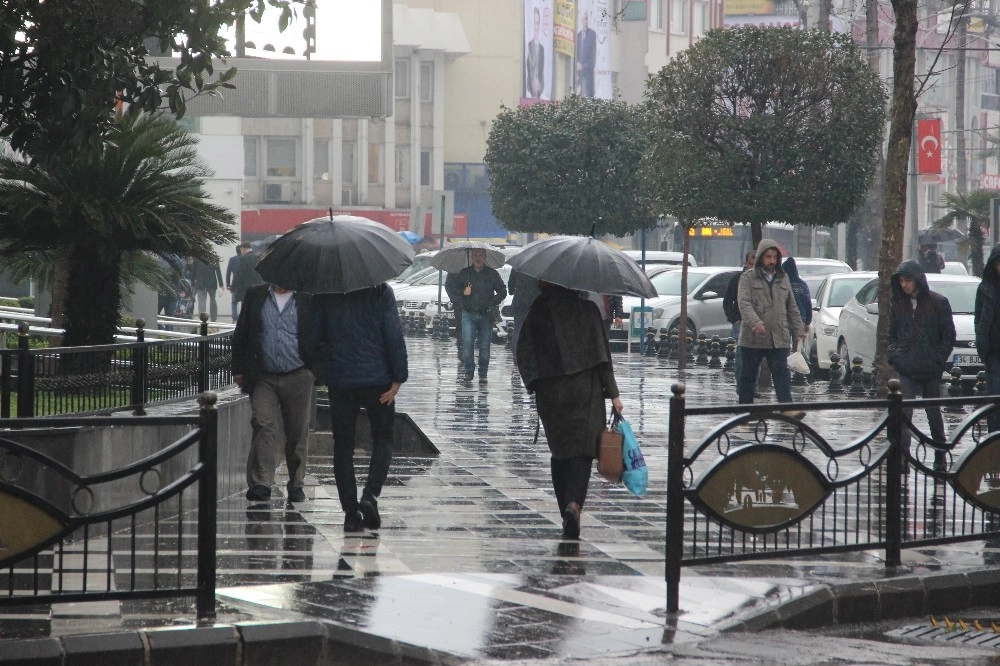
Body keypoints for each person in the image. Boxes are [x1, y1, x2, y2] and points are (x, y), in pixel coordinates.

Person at [516, 281, 624, 539]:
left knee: (561, 451)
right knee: (583, 451)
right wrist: (615, 395)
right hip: (585, 391)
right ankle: (574, 504)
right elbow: (603, 359)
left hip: (551, 392)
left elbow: (523, 352)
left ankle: (564, 505)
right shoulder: (588, 311)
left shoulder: (538, 311)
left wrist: (535, 384)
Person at [312, 284, 408, 533]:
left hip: (341, 381)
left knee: (343, 446)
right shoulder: (380, 291)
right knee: (383, 438)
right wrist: (398, 376)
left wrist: (324, 374)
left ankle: (350, 512)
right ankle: (370, 495)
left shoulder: (326, 292)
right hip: (378, 381)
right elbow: (393, 333)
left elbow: (314, 336)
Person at [232, 283, 320, 503]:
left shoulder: (308, 297)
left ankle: (297, 483)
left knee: (297, 432)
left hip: (299, 375)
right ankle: (262, 483)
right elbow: (241, 332)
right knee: (263, 425)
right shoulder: (256, 295)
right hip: (264, 376)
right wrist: (238, 369)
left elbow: (323, 334)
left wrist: (315, 370)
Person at [888, 260, 955, 449]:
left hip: (930, 367)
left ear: (917, 280)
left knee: (933, 412)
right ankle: (902, 458)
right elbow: (891, 335)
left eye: (908, 280)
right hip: (906, 366)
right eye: (901, 281)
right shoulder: (899, 304)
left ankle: (940, 455)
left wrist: (937, 359)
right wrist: (896, 356)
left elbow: (948, 336)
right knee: (904, 412)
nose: (904, 285)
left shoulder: (938, 303)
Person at [736, 240, 805, 410]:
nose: (772, 261)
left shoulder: (783, 278)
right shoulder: (747, 278)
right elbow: (744, 303)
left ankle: (787, 410)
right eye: (768, 257)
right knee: (748, 377)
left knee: (782, 375)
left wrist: (799, 329)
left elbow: (792, 306)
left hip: (778, 337)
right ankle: (745, 412)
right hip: (754, 338)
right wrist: (755, 323)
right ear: (760, 257)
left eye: (774, 257)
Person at [455, 249, 507, 383]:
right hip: (468, 314)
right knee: (467, 343)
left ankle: (483, 373)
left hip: (486, 315)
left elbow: (502, 291)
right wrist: (463, 291)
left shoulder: (492, 274)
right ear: (472, 257)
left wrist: (492, 302)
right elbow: (454, 289)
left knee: (485, 347)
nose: (478, 258)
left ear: (485, 257)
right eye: (476, 255)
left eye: (481, 255)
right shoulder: (465, 273)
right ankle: (469, 371)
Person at [975, 243, 1000, 433]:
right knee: (994, 397)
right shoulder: (985, 288)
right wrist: (982, 342)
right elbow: (979, 318)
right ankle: (994, 438)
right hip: (993, 351)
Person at [723, 251, 756, 380]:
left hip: (756, 324)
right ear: (745, 263)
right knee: (741, 355)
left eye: (755, 264)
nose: (752, 267)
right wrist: (734, 319)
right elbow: (727, 301)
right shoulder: (737, 279)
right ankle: (741, 385)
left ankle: (753, 386)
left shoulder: (761, 280)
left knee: (755, 357)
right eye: (750, 264)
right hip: (740, 323)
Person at [508, 268, 541, 357]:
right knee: (534, 329)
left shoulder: (517, 266)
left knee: (517, 329)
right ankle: (532, 354)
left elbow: (510, 288)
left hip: (519, 302)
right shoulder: (539, 267)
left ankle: (516, 355)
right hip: (534, 302)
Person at [781, 256, 812, 332]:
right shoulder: (803, 285)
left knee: (785, 342)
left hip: (785, 319)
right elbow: (808, 304)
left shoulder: (782, 284)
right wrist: (807, 322)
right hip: (801, 318)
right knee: (798, 341)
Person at [191, 257, 224, 322]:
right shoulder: (213, 258)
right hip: (212, 283)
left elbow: (193, 271)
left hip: (200, 282)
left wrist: (192, 283)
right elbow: (218, 270)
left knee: (201, 301)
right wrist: (221, 284)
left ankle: (202, 318)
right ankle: (213, 318)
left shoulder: (197, 259)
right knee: (213, 300)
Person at [226, 242, 252, 320]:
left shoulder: (232, 259)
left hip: (236, 283)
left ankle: (235, 319)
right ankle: (243, 317)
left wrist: (228, 285)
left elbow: (228, 272)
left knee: (234, 302)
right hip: (245, 283)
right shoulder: (248, 258)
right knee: (244, 301)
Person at [574, 10, 596, 97]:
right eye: (583, 19)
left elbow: (592, 61)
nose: (585, 22)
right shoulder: (578, 36)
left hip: (587, 79)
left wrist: (582, 66)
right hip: (578, 79)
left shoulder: (592, 35)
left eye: (586, 19)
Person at [525, 5, 545, 99]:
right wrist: (532, 79)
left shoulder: (542, 49)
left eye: (537, 23)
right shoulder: (528, 45)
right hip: (529, 89)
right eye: (534, 23)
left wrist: (539, 81)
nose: (535, 26)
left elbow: (542, 69)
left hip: (540, 91)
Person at [444, 270, 465, 358]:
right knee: (460, 326)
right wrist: (454, 299)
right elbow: (448, 285)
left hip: (473, 304)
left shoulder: (476, 268)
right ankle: (461, 348)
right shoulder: (454, 270)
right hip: (459, 304)